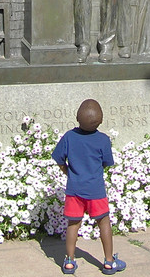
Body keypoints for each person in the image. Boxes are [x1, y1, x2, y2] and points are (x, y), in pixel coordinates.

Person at [51, 99, 126, 275]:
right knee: (104, 223)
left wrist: (69, 173)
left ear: (77, 117)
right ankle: (109, 262)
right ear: (101, 121)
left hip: (74, 190)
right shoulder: (103, 140)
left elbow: (59, 159)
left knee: (73, 224)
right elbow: (107, 162)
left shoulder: (69, 137)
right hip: (96, 190)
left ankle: (69, 261)